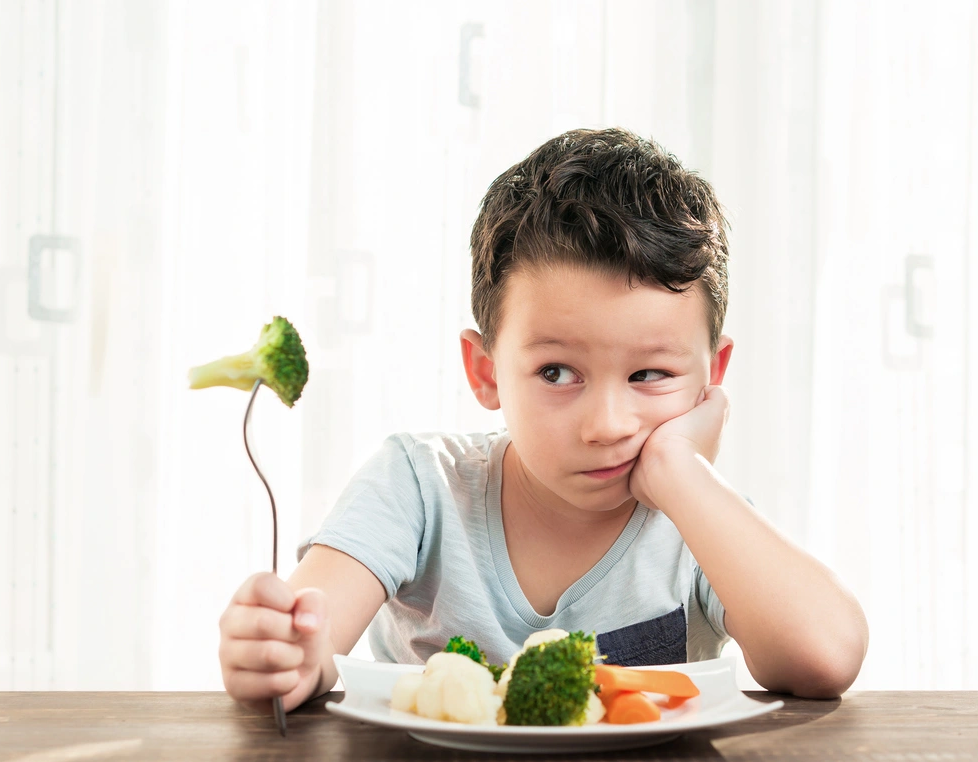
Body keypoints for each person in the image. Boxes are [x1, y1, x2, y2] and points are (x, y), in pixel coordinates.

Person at [218, 128, 868, 715]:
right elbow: (315, 633)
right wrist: (288, 652)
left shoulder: (701, 522)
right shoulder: (417, 487)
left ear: (710, 373)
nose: (607, 424)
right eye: (557, 372)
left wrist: (679, 473)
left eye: (648, 375)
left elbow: (826, 657)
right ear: (484, 370)